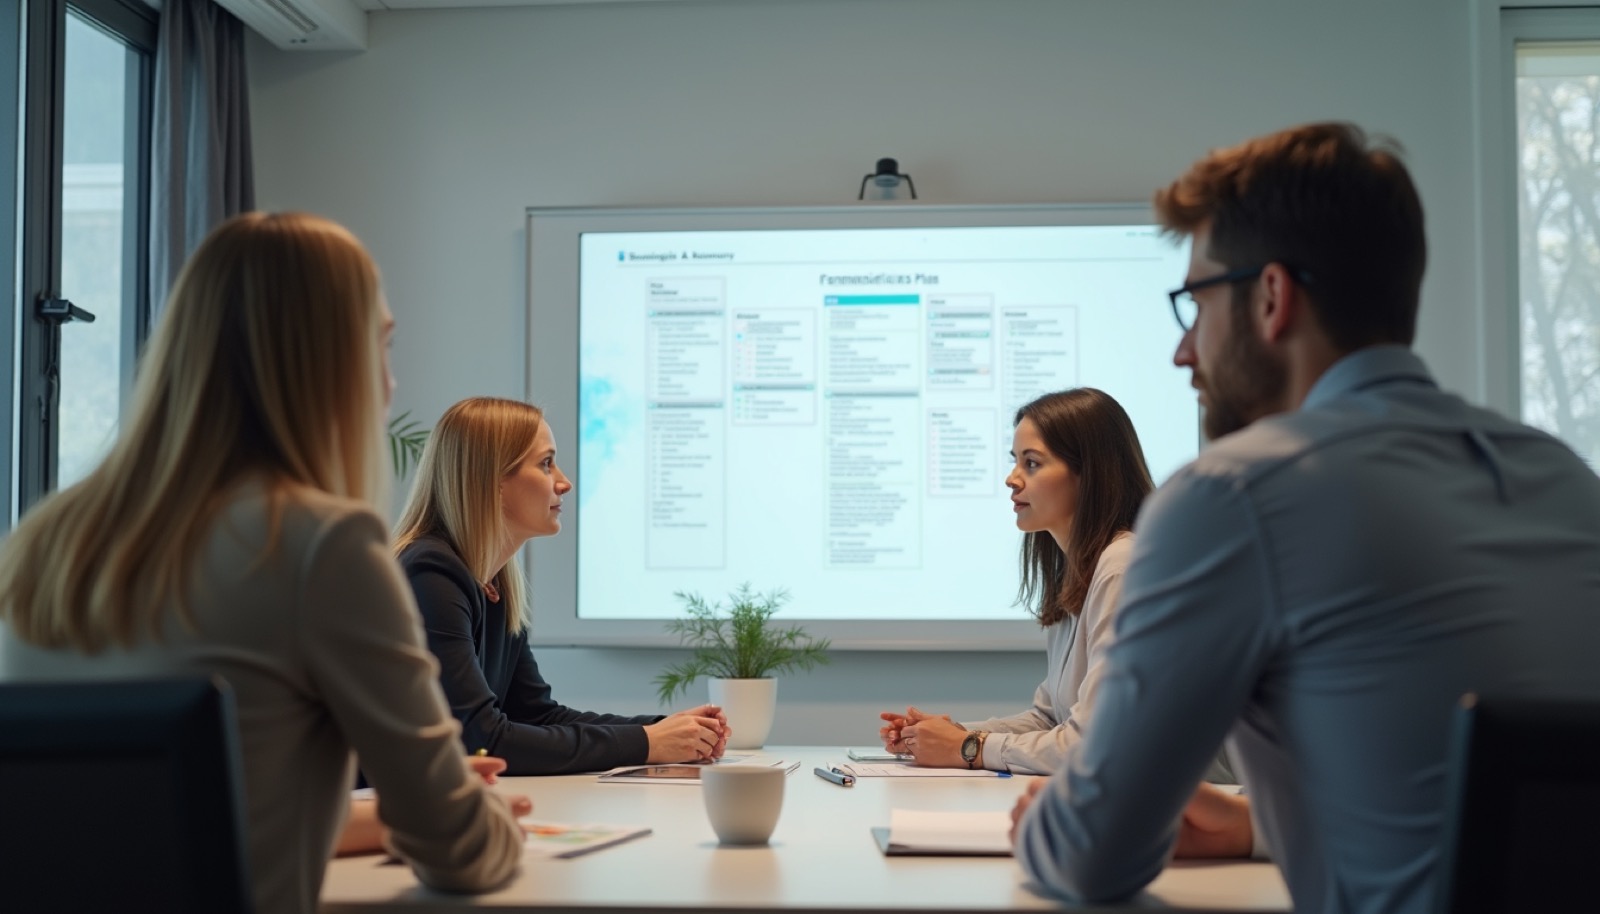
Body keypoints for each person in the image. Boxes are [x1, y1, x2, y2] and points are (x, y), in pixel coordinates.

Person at [1009, 122, 1600, 914]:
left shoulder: (1233, 496)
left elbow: (1089, 858)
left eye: (1195, 304)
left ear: (1271, 298)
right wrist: (1254, 825)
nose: (1185, 352)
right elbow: (1458, 818)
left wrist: (1046, 818)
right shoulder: (1563, 477)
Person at [0, 213, 527, 913]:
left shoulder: (46, 541)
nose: (390, 385)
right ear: (329, 365)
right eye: (381, 347)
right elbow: (460, 849)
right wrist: (492, 821)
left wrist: (372, 819)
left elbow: (168, 813)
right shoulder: (320, 547)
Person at [880, 388, 1236, 779]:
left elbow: (1092, 746)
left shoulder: (1125, 567)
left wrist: (967, 748)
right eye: (1015, 461)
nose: (1011, 479)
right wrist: (948, 736)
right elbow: (1050, 718)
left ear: (1090, 474)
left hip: (1194, 815)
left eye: (1032, 464)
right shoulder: (1082, 570)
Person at [393, 396, 729, 775]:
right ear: (493, 481)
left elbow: (537, 716)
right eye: (546, 463)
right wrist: (649, 743)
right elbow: (484, 741)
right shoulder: (430, 574)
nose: (564, 482)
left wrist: (666, 730)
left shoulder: (494, 580)